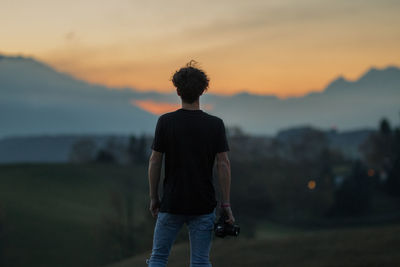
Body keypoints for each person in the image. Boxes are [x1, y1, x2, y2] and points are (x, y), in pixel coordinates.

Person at [146, 60, 235, 267]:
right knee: (201, 261)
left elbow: (155, 161)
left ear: (178, 91)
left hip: (172, 201)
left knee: (158, 258)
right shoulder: (215, 124)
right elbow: (223, 164)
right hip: (203, 204)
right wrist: (226, 204)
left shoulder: (166, 122)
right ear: (203, 91)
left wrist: (154, 197)